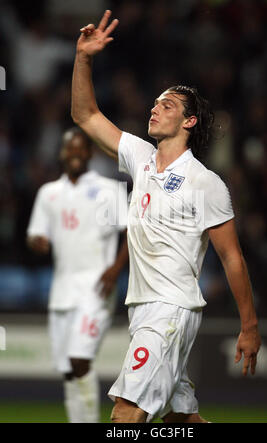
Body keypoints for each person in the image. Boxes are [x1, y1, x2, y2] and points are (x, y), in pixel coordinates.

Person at [71, 10, 262, 423]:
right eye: (155, 102)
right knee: (182, 422)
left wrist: (249, 326)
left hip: (169, 310)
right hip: (143, 307)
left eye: (168, 105)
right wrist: (84, 58)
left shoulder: (204, 182)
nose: (155, 109)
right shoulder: (140, 156)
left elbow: (232, 257)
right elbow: (86, 116)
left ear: (189, 121)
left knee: (125, 416)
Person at [27, 126, 128, 423]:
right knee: (69, 371)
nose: (74, 153)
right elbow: (36, 235)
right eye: (69, 147)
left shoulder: (109, 189)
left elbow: (131, 233)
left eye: (80, 147)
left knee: (79, 359)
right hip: (61, 292)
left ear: (90, 152)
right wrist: (37, 242)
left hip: (97, 289)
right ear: (62, 153)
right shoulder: (49, 193)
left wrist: (115, 269)